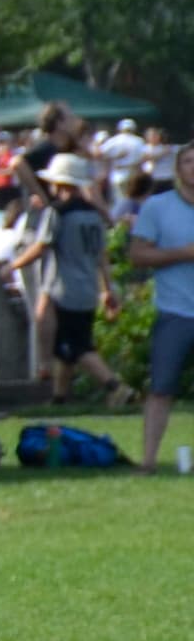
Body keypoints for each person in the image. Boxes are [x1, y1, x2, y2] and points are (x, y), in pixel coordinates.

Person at [24, 154, 133, 408]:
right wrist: (107, 288)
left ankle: (115, 387)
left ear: (59, 184)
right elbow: (101, 255)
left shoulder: (57, 212)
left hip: (64, 289)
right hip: (88, 288)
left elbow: (41, 246)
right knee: (67, 349)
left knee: (78, 346)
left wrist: (13, 265)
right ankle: (59, 398)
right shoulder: (93, 214)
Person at [130, 167, 194, 466]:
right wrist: (183, 254)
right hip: (174, 311)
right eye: (188, 161)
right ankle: (148, 461)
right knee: (161, 389)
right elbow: (137, 255)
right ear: (178, 169)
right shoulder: (157, 207)